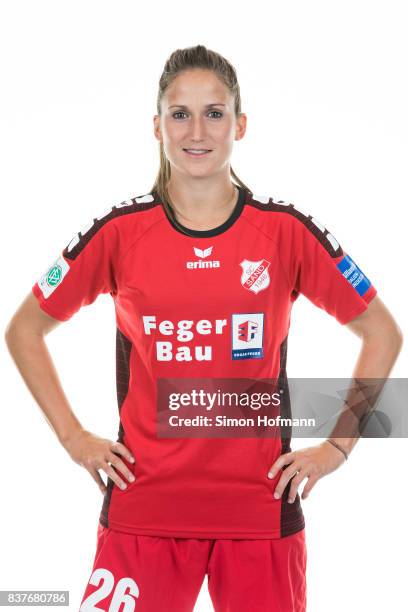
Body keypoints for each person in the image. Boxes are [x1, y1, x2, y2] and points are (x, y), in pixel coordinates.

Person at [4, 44, 403, 612]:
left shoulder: (284, 232)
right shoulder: (120, 232)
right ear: (157, 125)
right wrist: (74, 439)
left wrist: (338, 446)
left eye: (214, 113)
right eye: (180, 112)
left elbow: (383, 332)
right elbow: (24, 329)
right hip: (143, 510)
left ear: (239, 124)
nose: (197, 130)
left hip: (260, 513)